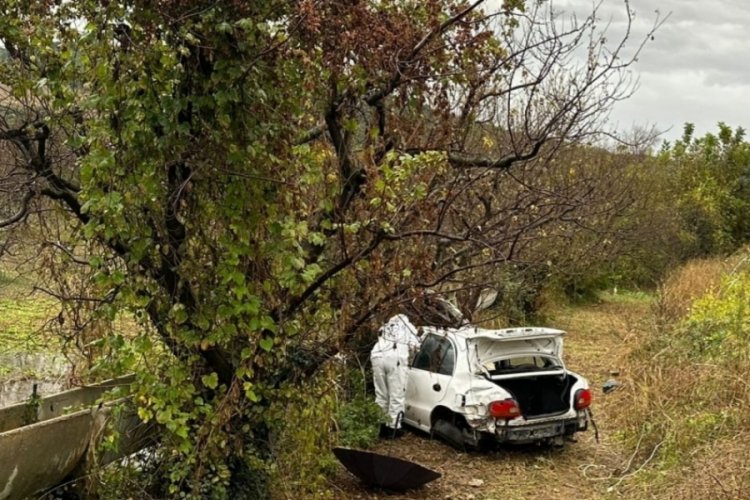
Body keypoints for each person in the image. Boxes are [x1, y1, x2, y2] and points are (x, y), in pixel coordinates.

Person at [370, 314, 421, 438]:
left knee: (381, 395)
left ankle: (380, 427)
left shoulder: (385, 327)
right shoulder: (409, 327)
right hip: (395, 360)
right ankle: (393, 429)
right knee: (396, 395)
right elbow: (416, 346)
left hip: (376, 356)